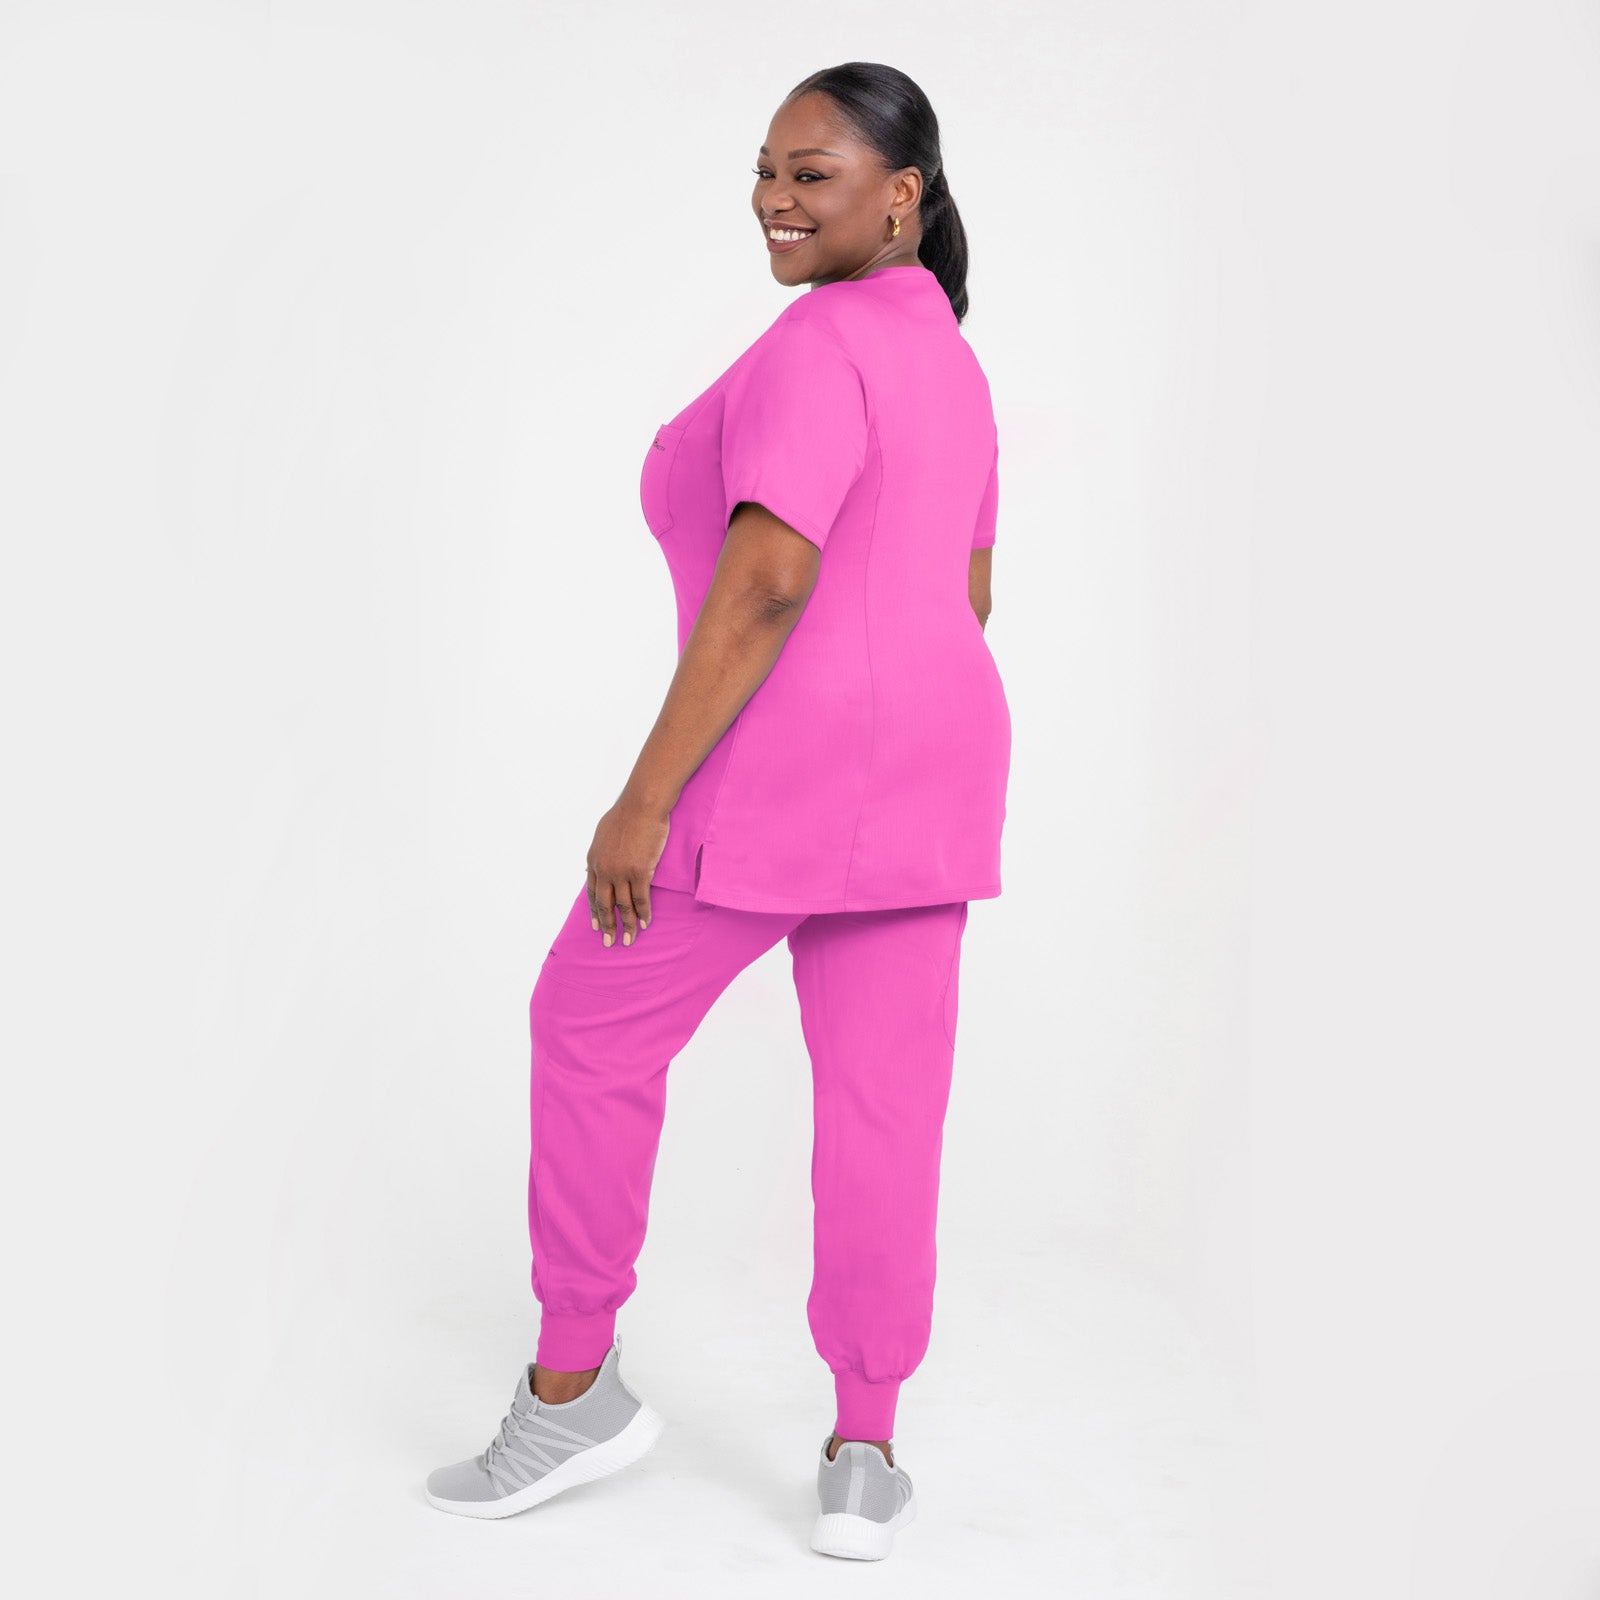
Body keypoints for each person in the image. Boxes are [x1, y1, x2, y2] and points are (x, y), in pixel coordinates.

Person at [426, 61, 1010, 1562]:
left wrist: (644, 800)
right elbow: (967, 594)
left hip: (775, 777)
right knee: (886, 1111)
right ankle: (866, 1451)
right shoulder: (949, 358)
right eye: (764, 169)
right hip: (934, 778)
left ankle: (573, 1390)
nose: (773, 199)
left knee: (586, 1024)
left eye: (813, 174)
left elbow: (767, 580)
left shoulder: (822, 341)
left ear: (903, 194)